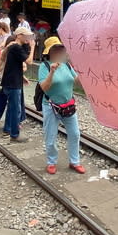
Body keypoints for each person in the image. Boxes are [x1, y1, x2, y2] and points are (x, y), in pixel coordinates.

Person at [38, 39, 84, 175]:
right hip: (51, 107)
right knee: (51, 136)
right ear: (50, 52)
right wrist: (52, 72)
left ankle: (74, 162)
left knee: (75, 134)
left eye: (61, 49)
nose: (59, 51)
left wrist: (81, 70)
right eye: (56, 49)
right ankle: (51, 162)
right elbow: (44, 88)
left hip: (68, 105)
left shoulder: (67, 65)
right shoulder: (44, 66)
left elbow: (77, 83)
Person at [1, 27, 34, 142]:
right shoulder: (16, 47)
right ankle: (14, 135)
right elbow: (29, 61)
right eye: (26, 36)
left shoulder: (14, 46)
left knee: (11, 108)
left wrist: (22, 77)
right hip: (13, 83)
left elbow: (14, 66)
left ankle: (7, 129)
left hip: (11, 80)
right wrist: (33, 46)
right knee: (16, 109)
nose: (28, 38)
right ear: (19, 35)